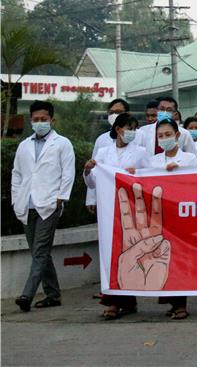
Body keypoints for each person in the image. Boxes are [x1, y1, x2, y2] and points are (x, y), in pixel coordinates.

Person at [11, 101, 76, 313]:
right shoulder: (24, 145)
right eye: (36, 120)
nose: (40, 123)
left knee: (39, 251)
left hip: (49, 204)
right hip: (26, 204)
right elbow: (17, 174)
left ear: (52, 120)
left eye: (44, 119)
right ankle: (53, 294)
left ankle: (26, 295)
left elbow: (68, 172)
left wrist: (61, 197)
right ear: (31, 121)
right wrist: (15, 198)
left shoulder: (62, 143)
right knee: (40, 251)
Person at [83, 113, 148, 319]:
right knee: (110, 254)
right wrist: (87, 171)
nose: (132, 132)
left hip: (129, 208)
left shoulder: (140, 152)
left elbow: (150, 177)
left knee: (127, 252)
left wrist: (136, 172)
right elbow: (94, 182)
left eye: (134, 128)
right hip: (107, 208)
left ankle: (123, 300)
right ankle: (115, 300)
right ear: (119, 129)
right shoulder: (103, 152)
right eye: (129, 127)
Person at [149, 118, 197, 320]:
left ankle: (181, 304)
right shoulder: (152, 161)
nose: (164, 139)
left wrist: (177, 172)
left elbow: (196, 184)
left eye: (168, 135)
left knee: (179, 259)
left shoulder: (189, 159)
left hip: (181, 215)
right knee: (162, 259)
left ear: (177, 136)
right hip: (160, 216)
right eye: (161, 136)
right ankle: (170, 301)